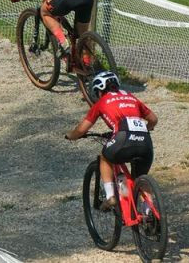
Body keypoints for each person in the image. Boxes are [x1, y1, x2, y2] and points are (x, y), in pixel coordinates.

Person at [66, 70, 159, 209]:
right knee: (141, 178)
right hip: (145, 142)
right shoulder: (131, 97)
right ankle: (150, 214)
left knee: (105, 158)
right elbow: (153, 119)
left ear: (98, 91)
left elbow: (81, 130)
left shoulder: (101, 102)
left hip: (122, 138)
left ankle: (111, 197)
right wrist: (147, 128)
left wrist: (71, 136)